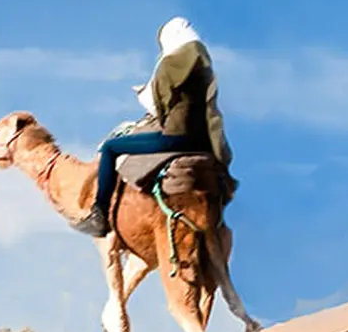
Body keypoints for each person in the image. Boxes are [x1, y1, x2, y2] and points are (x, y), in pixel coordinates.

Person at [75, 16, 236, 237]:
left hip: (177, 137)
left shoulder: (169, 64)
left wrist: (144, 93)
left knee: (111, 148)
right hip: (202, 139)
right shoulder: (205, 67)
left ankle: (99, 215)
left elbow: (158, 106)